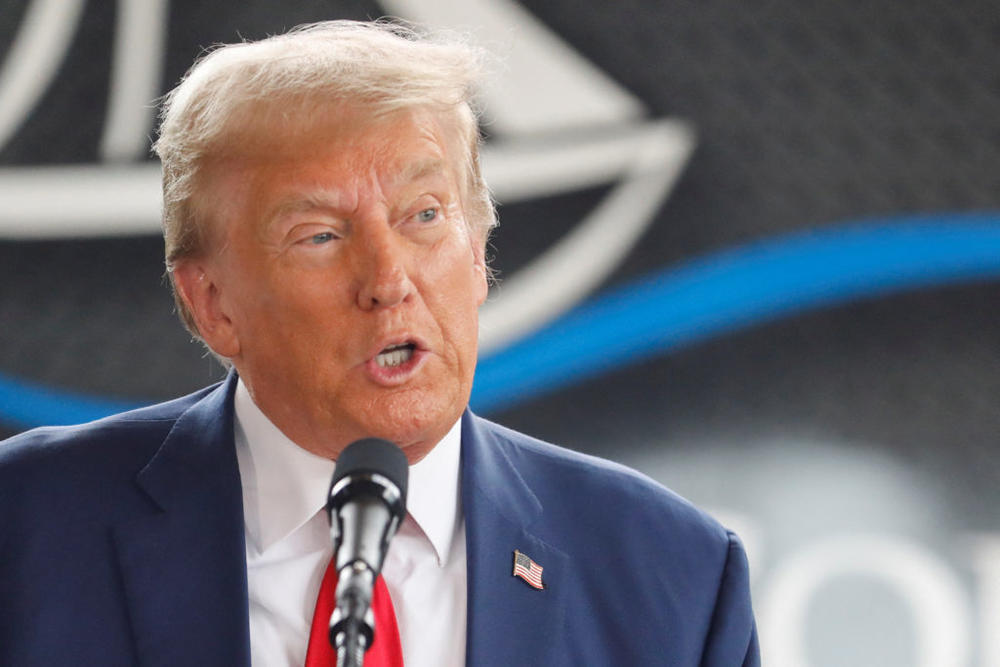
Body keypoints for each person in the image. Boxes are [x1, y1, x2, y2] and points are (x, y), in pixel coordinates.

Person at [0, 20, 759, 666]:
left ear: (476, 253)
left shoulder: (674, 576)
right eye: (321, 235)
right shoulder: (26, 527)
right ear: (212, 303)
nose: (388, 279)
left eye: (425, 215)